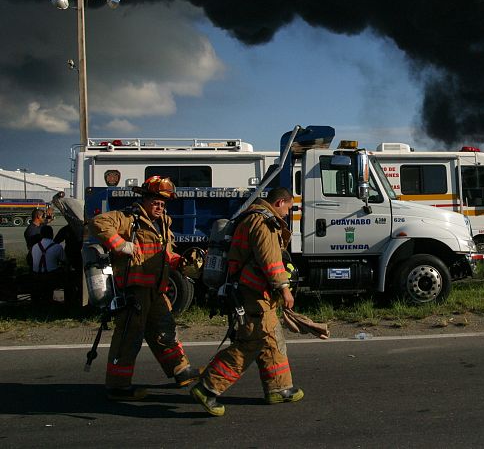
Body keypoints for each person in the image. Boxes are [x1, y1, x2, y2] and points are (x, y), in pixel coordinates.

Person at [191, 187, 303, 417]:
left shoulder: (250, 216)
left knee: (271, 338)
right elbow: (270, 260)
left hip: (253, 294)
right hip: (254, 295)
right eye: (287, 208)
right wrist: (285, 289)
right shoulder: (264, 222)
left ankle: (279, 388)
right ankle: (208, 387)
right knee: (250, 343)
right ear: (280, 202)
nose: (286, 214)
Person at [89, 175, 201, 401]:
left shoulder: (163, 223)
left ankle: (181, 370)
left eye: (163, 203)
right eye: (155, 201)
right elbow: (98, 223)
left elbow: (163, 256)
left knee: (164, 330)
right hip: (134, 290)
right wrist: (122, 245)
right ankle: (118, 385)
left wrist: (181, 262)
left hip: (156, 290)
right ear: (144, 199)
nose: (159, 206)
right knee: (129, 337)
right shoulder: (128, 218)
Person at [30, 225, 65, 303]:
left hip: (36, 275)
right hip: (50, 276)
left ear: (41, 235)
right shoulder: (57, 247)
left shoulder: (35, 246)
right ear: (52, 234)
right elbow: (64, 260)